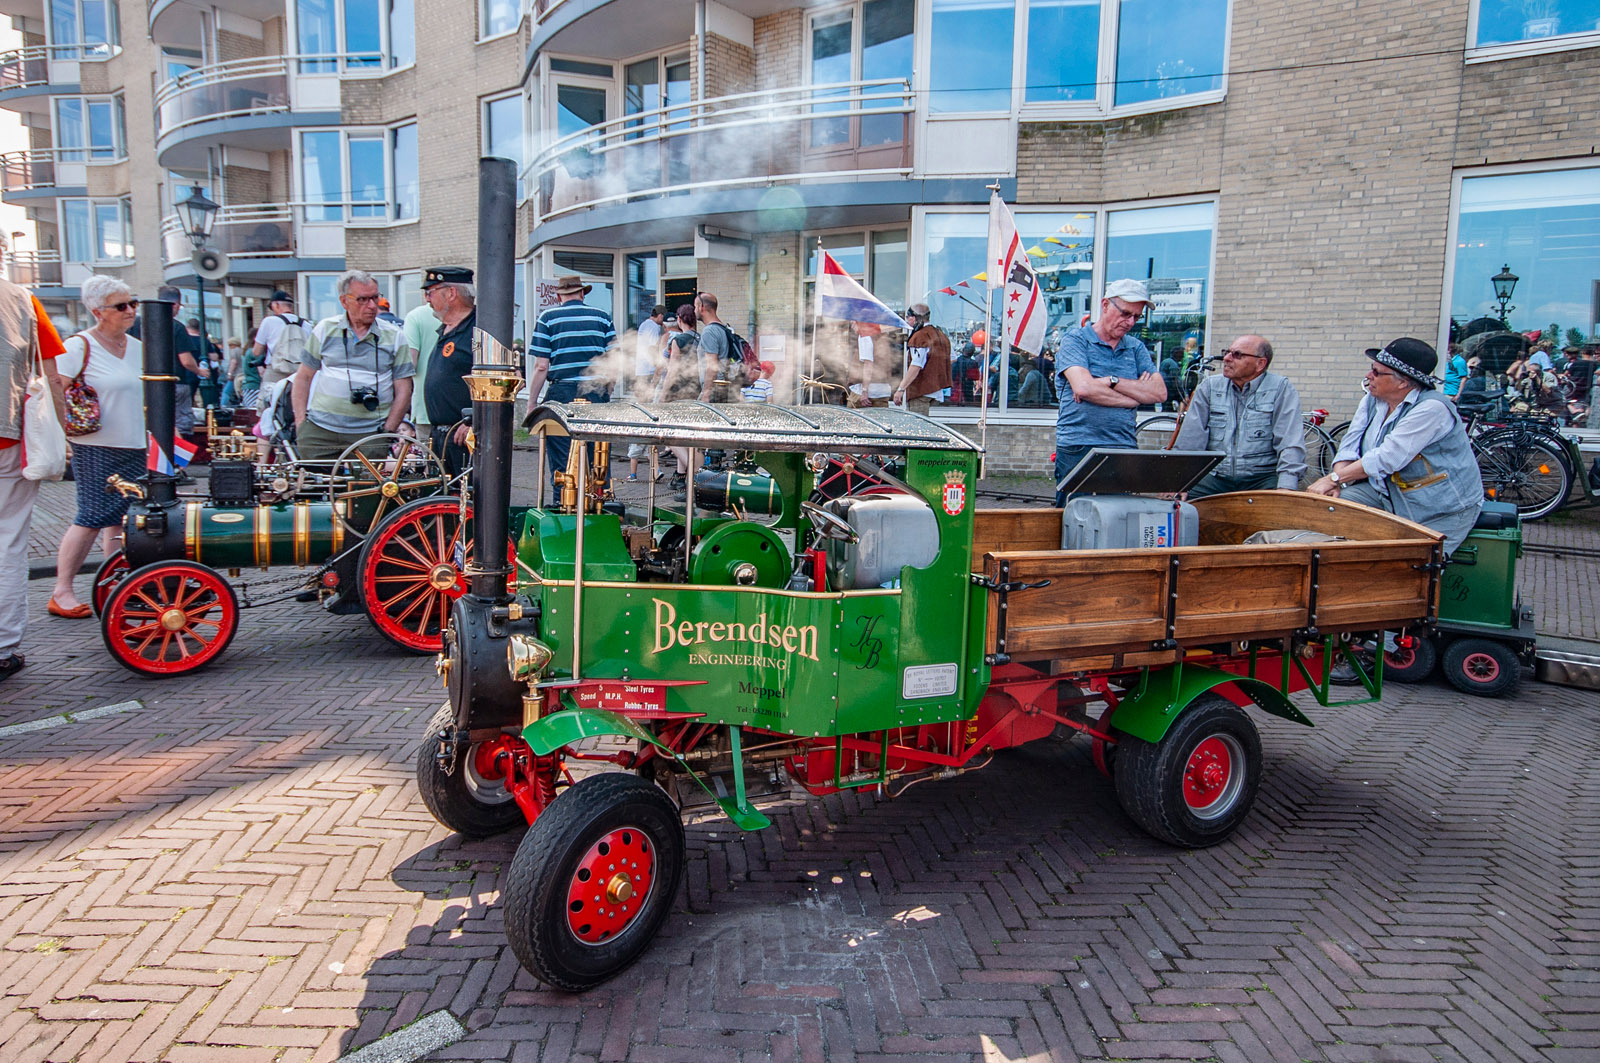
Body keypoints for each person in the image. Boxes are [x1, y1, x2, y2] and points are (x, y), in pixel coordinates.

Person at [1306, 338, 1483, 557]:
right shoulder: (1373, 399)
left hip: (1438, 507)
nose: (1368, 376)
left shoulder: (1432, 408)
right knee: (1329, 509)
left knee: (1418, 567)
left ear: (1403, 382)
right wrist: (1338, 482)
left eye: (1377, 372)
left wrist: (1332, 479)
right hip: (1387, 492)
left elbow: (1388, 457)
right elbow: (1350, 445)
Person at [49, 275, 146, 618]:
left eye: (132, 303)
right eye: (121, 306)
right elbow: (54, 389)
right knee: (91, 516)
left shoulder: (137, 347)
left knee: (122, 520)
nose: (130, 310)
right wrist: (61, 436)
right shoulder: (79, 346)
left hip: (135, 445)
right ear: (97, 311)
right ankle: (61, 590)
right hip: (95, 444)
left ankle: (114, 583)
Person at [0, 275, 67, 676]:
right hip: (6, 438)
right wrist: (62, 433)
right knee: (8, 541)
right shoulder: (21, 299)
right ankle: (3, 647)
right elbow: (52, 375)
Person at [1052, 278, 1167, 505]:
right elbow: (1083, 387)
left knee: (1118, 519)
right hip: (1079, 446)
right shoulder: (1076, 341)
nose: (1130, 322)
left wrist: (1110, 381)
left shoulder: (1135, 347)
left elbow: (1159, 393)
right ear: (1105, 305)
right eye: (1125, 313)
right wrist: (1133, 399)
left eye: (1136, 317)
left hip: (1123, 447)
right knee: (1074, 517)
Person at [291, 270, 416, 460]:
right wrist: (301, 423)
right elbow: (303, 377)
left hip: (372, 432)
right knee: (315, 487)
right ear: (344, 301)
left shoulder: (394, 335)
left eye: (375, 298)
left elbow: (405, 388)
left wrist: (388, 431)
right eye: (363, 300)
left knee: (367, 490)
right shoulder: (325, 329)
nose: (372, 306)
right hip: (320, 431)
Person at [1174, 334, 1306, 497]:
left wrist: (1286, 487)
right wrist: (1179, 481)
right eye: (1227, 352)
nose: (1227, 358)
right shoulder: (1209, 387)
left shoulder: (1280, 389)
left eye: (1237, 355)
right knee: (1176, 506)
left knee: (1276, 516)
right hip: (1215, 478)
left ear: (1260, 363)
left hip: (1262, 479)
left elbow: (1290, 442)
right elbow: (1190, 439)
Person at [526, 275, 617, 491]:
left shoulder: (547, 318)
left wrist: (532, 403)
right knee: (599, 458)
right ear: (583, 293)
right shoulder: (602, 317)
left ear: (559, 296)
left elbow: (541, 366)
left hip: (561, 393)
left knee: (562, 459)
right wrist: (607, 391)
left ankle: (563, 506)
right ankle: (600, 507)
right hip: (596, 392)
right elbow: (614, 362)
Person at [419, 266, 476, 476]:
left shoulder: (477, 330)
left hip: (463, 435)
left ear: (451, 293)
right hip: (441, 436)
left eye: (430, 292)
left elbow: (503, 380)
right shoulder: (447, 329)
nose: (427, 299)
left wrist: (475, 420)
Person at [130, 285, 205, 438]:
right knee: (180, 423)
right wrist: (199, 371)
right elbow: (186, 360)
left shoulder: (136, 324)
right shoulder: (177, 327)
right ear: (175, 304)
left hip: (142, 379)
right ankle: (177, 456)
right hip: (175, 380)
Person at [894, 303, 952, 415]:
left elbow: (916, 365)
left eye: (907, 317)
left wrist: (900, 389)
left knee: (917, 428)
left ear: (914, 318)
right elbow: (952, 358)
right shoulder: (941, 335)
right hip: (936, 390)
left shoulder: (920, 336)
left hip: (921, 390)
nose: (906, 321)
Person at [251, 290, 307, 398]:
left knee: (268, 404)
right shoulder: (306, 324)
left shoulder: (269, 321)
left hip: (276, 370)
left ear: (276, 305)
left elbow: (256, 351)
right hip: (300, 371)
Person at [403, 295, 444, 439]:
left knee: (429, 459)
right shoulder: (469, 316)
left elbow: (410, 363)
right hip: (461, 410)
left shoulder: (415, 317)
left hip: (425, 405)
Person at [694, 292, 730, 402]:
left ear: (701, 307)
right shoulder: (724, 328)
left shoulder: (709, 331)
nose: (694, 310)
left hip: (714, 390)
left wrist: (706, 393)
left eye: (695, 306)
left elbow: (712, 366)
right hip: (723, 386)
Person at [634, 305, 666, 398]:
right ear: (660, 316)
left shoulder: (644, 324)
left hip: (641, 369)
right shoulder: (653, 326)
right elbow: (652, 348)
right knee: (649, 400)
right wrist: (658, 365)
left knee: (641, 400)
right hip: (649, 370)